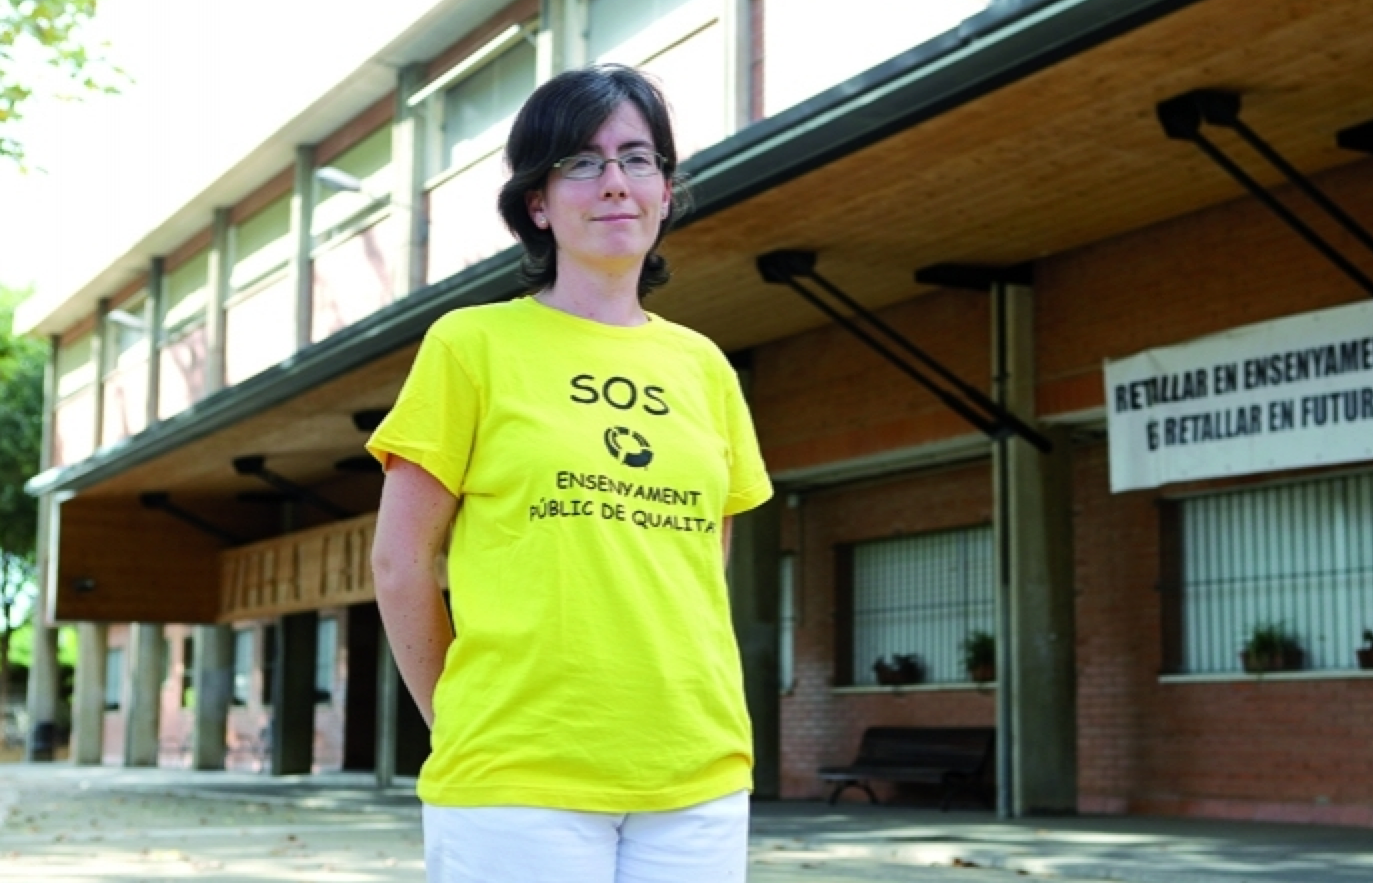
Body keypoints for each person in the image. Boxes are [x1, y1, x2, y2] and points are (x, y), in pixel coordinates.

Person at [366, 64, 772, 883]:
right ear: (538, 203)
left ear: (664, 191)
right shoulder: (469, 345)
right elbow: (400, 562)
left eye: (638, 158)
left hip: (696, 770)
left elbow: (703, 553)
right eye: (582, 162)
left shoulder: (704, 368)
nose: (615, 182)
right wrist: (457, 718)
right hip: (516, 776)